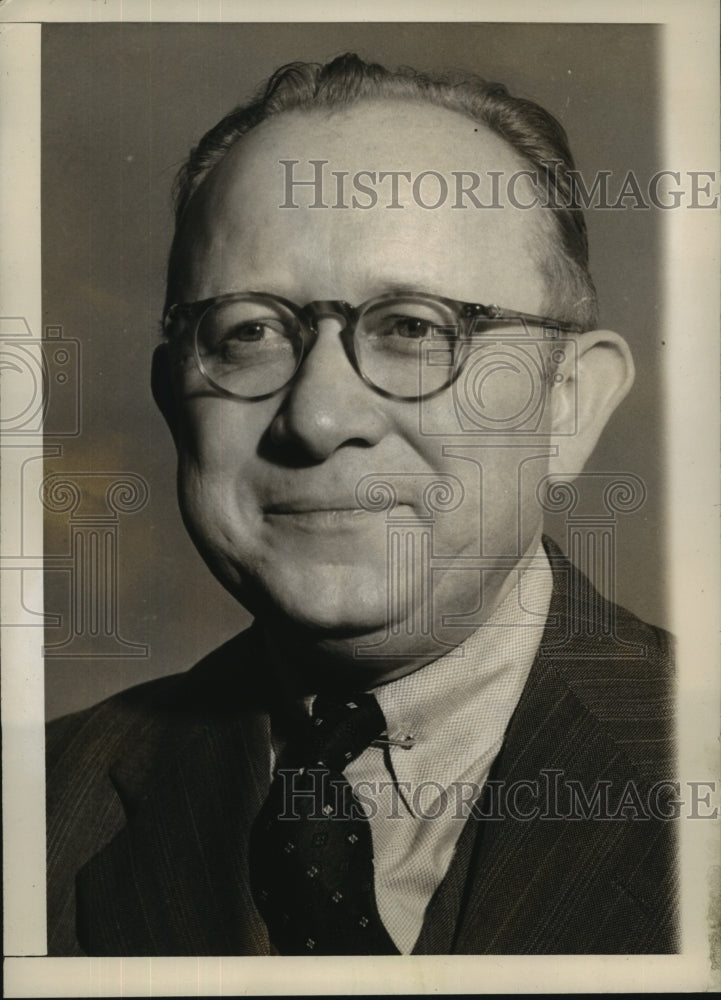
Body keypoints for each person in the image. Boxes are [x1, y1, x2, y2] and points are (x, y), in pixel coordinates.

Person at [46, 53, 677, 956]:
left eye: (415, 329)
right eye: (250, 333)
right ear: (171, 396)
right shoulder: (34, 807)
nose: (318, 416)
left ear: (567, 404)